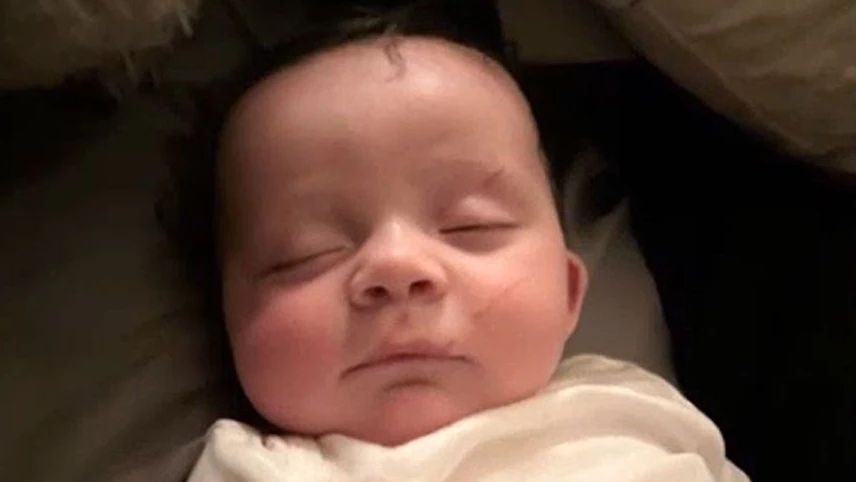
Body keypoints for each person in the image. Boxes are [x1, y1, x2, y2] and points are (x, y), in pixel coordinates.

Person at [170, 2, 749, 480]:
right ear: (227, 319)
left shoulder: (635, 409)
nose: (397, 265)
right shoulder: (251, 468)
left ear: (571, 290)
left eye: (471, 226)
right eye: (306, 253)